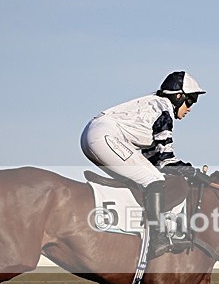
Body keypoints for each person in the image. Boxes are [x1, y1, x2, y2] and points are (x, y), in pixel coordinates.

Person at [80, 71, 211, 258]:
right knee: (154, 179)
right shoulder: (164, 111)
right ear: (178, 96)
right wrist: (193, 173)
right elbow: (166, 161)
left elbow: (156, 160)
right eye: (190, 101)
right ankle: (157, 238)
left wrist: (187, 172)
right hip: (103, 136)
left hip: (99, 134)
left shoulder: (156, 105)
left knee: (148, 176)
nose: (190, 108)